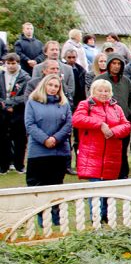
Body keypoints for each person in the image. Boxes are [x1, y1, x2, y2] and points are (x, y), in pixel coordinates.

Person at [73, 78, 131, 222]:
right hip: (92, 153)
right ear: (93, 91)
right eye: (100, 90)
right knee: (95, 188)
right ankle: (96, 216)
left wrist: (114, 131)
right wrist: (100, 124)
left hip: (111, 154)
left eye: (106, 91)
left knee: (108, 188)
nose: (103, 93)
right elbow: (77, 119)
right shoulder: (86, 105)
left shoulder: (116, 108)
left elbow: (126, 125)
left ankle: (106, 216)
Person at [24, 74, 73, 220]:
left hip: (59, 152)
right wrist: (45, 139)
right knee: (38, 187)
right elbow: (30, 125)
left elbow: (68, 124)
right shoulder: (32, 102)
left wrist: (55, 138)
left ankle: (56, 219)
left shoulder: (64, 104)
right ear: (44, 85)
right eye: (50, 85)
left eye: (56, 86)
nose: (53, 88)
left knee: (56, 186)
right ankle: (40, 219)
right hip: (38, 152)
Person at [94, 54, 131, 179]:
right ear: (108, 64)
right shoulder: (100, 80)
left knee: (123, 150)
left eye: (119, 64)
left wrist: (129, 111)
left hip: (122, 122)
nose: (116, 66)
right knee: (107, 151)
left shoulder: (126, 81)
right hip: (105, 123)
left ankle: (123, 175)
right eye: (113, 63)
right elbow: (92, 99)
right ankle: (106, 176)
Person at [0, 53, 30, 173]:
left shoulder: (25, 77)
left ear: (18, 64)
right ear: (5, 63)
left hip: (18, 112)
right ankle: (3, 166)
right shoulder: (1, 75)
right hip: (2, 112)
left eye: (14, 63)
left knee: (20, 140)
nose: (11, 66)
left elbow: (26, 95)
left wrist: (12, 103)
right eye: (9, 63)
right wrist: (4, 104)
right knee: (3, 139)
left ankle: (19, 165)